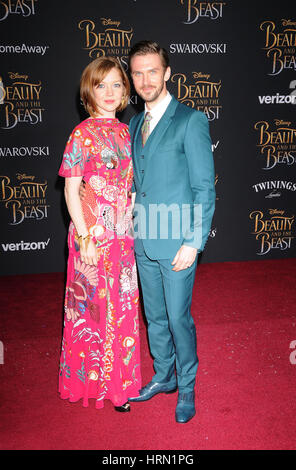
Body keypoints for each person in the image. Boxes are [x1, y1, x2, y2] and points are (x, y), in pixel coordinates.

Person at [127, 41, 215, 423]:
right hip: (143, 239)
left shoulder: (190, 120)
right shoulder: (133, 124)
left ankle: (188, 386)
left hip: (178, 242)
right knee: (155, 317)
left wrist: (194, 242)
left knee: (179, 319)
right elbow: (138, 183)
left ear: (167, 74)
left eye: (152, 71)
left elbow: (204, 188)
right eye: (137, 72)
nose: (145, 79)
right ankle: (164, 375)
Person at [58, 56, 141, 413]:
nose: (109, 93)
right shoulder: (82, 134)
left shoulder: (127, 131)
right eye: (101, 85)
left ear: (125, 91)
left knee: (122, 310)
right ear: (88, 91)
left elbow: (131, 185)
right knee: (92, 313)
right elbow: (71, 189)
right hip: (91, 236)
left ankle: (120, 385)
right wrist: (84, 238)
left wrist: (132, 222)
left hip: (122, 236)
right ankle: (89, 382)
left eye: (117, 85)